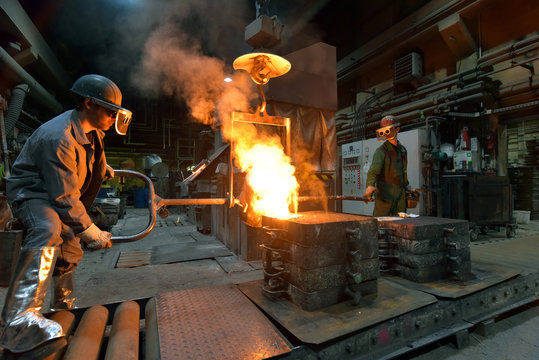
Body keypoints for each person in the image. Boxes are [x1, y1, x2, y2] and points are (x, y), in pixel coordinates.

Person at [0, 74, 132, 356]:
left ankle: (63, 310)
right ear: (88, 103)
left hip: (57, 194)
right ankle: (19, 322)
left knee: (70, 245)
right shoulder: (58, 136)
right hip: (34, 193)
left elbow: (91, 160)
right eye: (110, 111)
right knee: (48, 229)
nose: (113, 117)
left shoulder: (93, 131)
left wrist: (103, 169)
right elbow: (63, 198)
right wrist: (92, 231)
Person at [364, 115, 409, 217]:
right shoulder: (381, 151)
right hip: (385, 198)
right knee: (381, 225)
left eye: (388, 130)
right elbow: (373, 172)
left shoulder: (403, 150)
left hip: (400, 197)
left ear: (397, 129)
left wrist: (408, 186)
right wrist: (370, 185)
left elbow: (403, 171)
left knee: (402, 225)